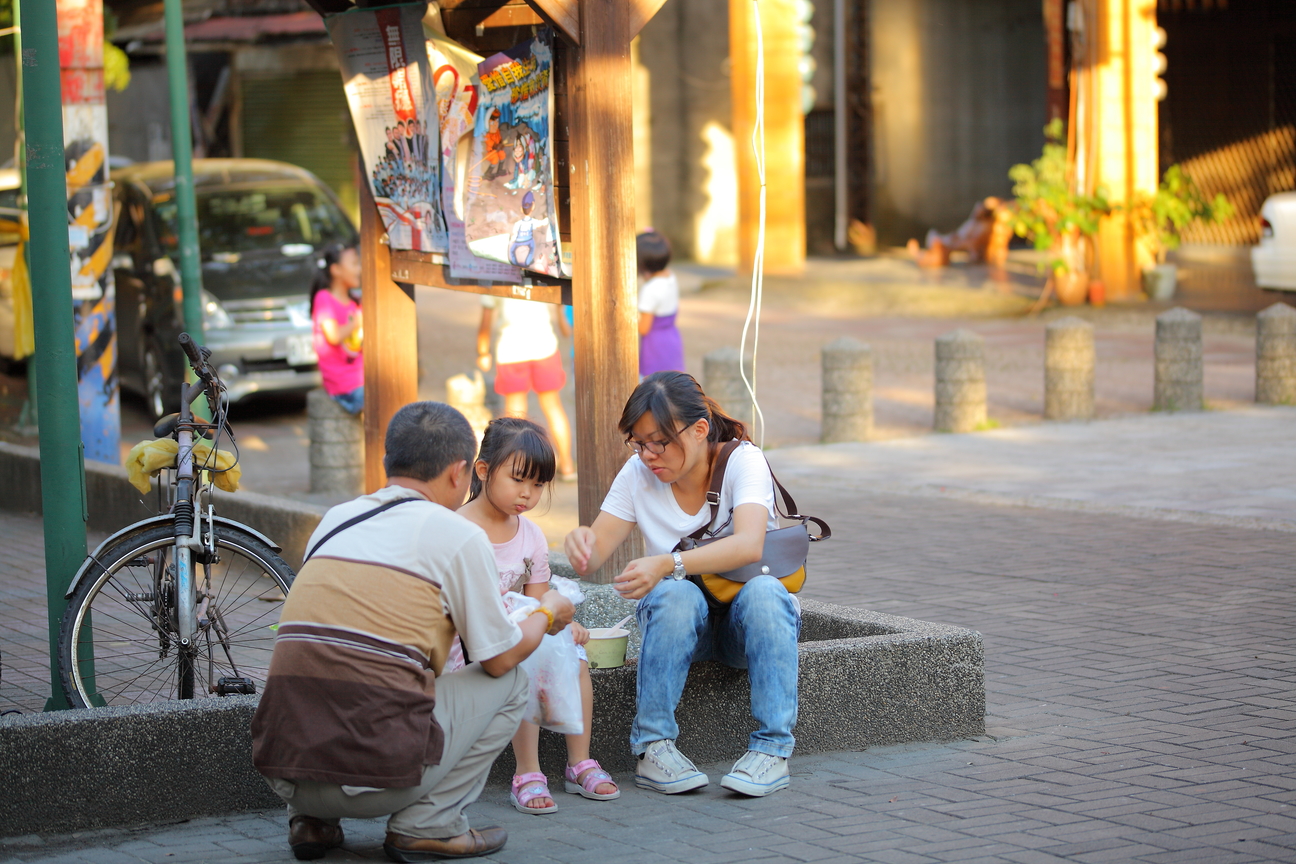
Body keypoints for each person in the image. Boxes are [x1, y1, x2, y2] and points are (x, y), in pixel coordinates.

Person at [251, 402, 577, 862]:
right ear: (462, 472)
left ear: (389, 462)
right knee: (510, 682)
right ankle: (430, 826)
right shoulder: (457, 535)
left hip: (283, 772)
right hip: (377, 782)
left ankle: (312, 821)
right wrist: (547, 613)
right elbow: (499, 658)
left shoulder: (334, 520)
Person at [564, 371, 799, 798]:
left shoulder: (743, 461)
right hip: (679, 625)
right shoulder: (637, 473)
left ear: (699, 429)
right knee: (674, 594)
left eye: (661, 441)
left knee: (765, 592)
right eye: (639, 442)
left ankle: (772, 751)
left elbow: (748, 544)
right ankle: (653, 748)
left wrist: (667, 563)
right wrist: (578, 542)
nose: (649, 454)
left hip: (745, 628)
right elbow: (592, 555)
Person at [450, 416, 619, 814]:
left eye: (538, 484)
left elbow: (537, 602)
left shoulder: (530, 535)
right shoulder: (457, 529)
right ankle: (527, 772)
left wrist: (563, 623)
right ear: (483, 471)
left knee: (573, 655)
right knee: (523, 658)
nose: (527, 494)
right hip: (467, 642)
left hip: (508, 632)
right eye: (518, 479)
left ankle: (579, 763)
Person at [476, 295, 576, 480]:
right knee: (553, 407)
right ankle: (567, 465)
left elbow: (486, 318)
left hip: (511, 349)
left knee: (514, 412)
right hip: (544, 346)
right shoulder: (540, 271)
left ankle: (514, 465)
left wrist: (482, 351)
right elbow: (559, 310)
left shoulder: (496, 276)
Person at [310, 243, 364, 415]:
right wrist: (357, 322)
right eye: (354, 264)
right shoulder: (324, 298)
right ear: (336, 270)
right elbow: (333, 336)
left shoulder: (355, 301)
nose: (360, 269)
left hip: (361, 381)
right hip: (344, 387)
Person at [635, 230, 685, 377]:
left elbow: (644, 328)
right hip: (671, 337)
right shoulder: (670, 276)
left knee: (654, 383)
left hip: (655, 345)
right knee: (672, 383)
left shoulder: (649, 289)